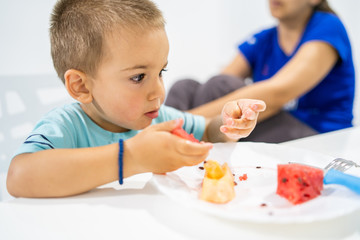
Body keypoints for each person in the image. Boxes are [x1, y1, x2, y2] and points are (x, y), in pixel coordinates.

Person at [6, 0, 265, 198]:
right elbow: (18, 176)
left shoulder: (159, 118)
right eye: (139, 77)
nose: (158, 92)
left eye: (161, 72)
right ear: (81, 86)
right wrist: (129, 157)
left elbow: (207, 130)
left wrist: (228, 123)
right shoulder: (66, 126)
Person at [166, 0, 355, 143]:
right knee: (185, 87)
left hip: (319, 135)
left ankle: (169, 133)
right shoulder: (264, 38)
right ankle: (164, 141)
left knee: (221, 87)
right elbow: (214, 83)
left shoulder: (329, 27)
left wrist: (185, 121)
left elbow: (277, 94)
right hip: (278, 128)